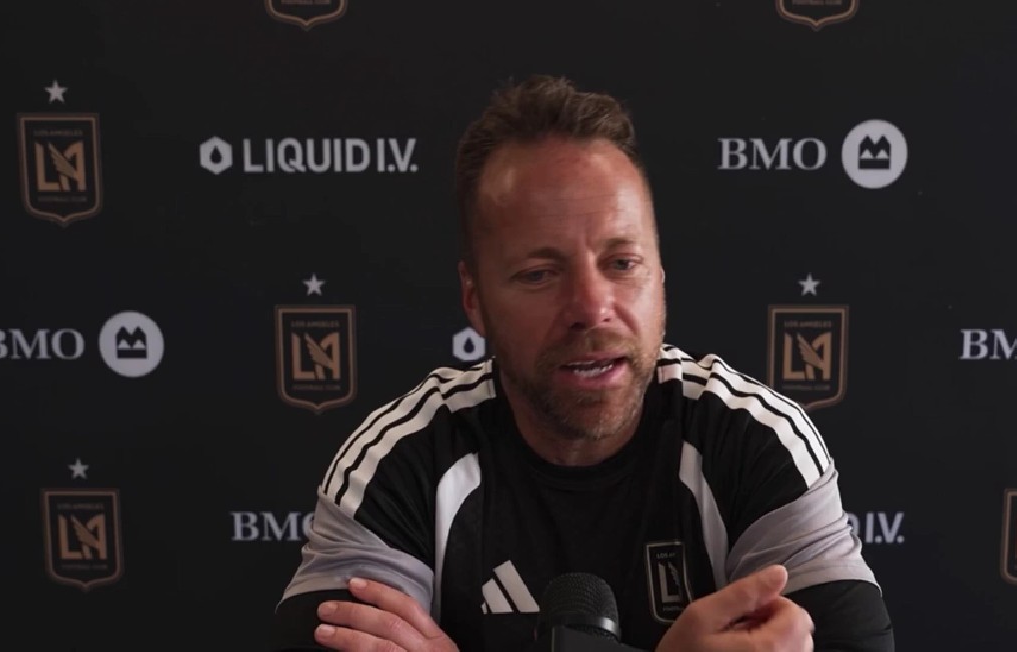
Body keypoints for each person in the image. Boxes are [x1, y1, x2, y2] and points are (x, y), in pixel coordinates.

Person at [270, 74, 894, 652]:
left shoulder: (756, 440)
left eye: (622, 263)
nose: (592, 308)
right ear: (474, 300)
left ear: (660, 277)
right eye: (540, 274)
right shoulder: (397, 464)